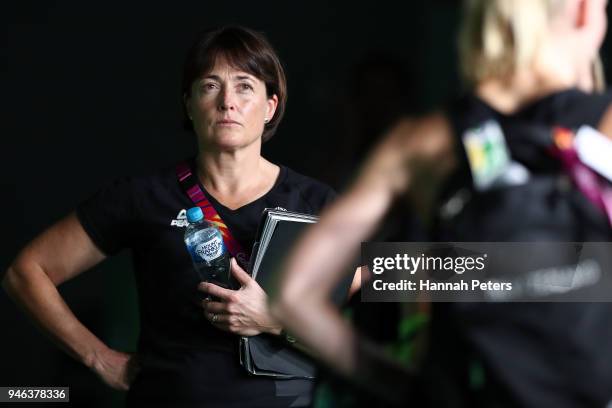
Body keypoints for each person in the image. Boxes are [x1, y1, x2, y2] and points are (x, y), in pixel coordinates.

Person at [273, 0, 612, 406]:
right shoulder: (604, 126)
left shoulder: (420, 142)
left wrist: (405, 388)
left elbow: (292, 295)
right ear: (584, 11)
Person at [2, 25, 339, 407]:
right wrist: (97, 356)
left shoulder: (318, 203)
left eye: (245, 86)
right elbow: (26, 272)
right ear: (189, 104)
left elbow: (406, 289)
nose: (228, 101)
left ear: (270, 106)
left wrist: (274, 320)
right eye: (210, 85)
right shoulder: (143, 196)